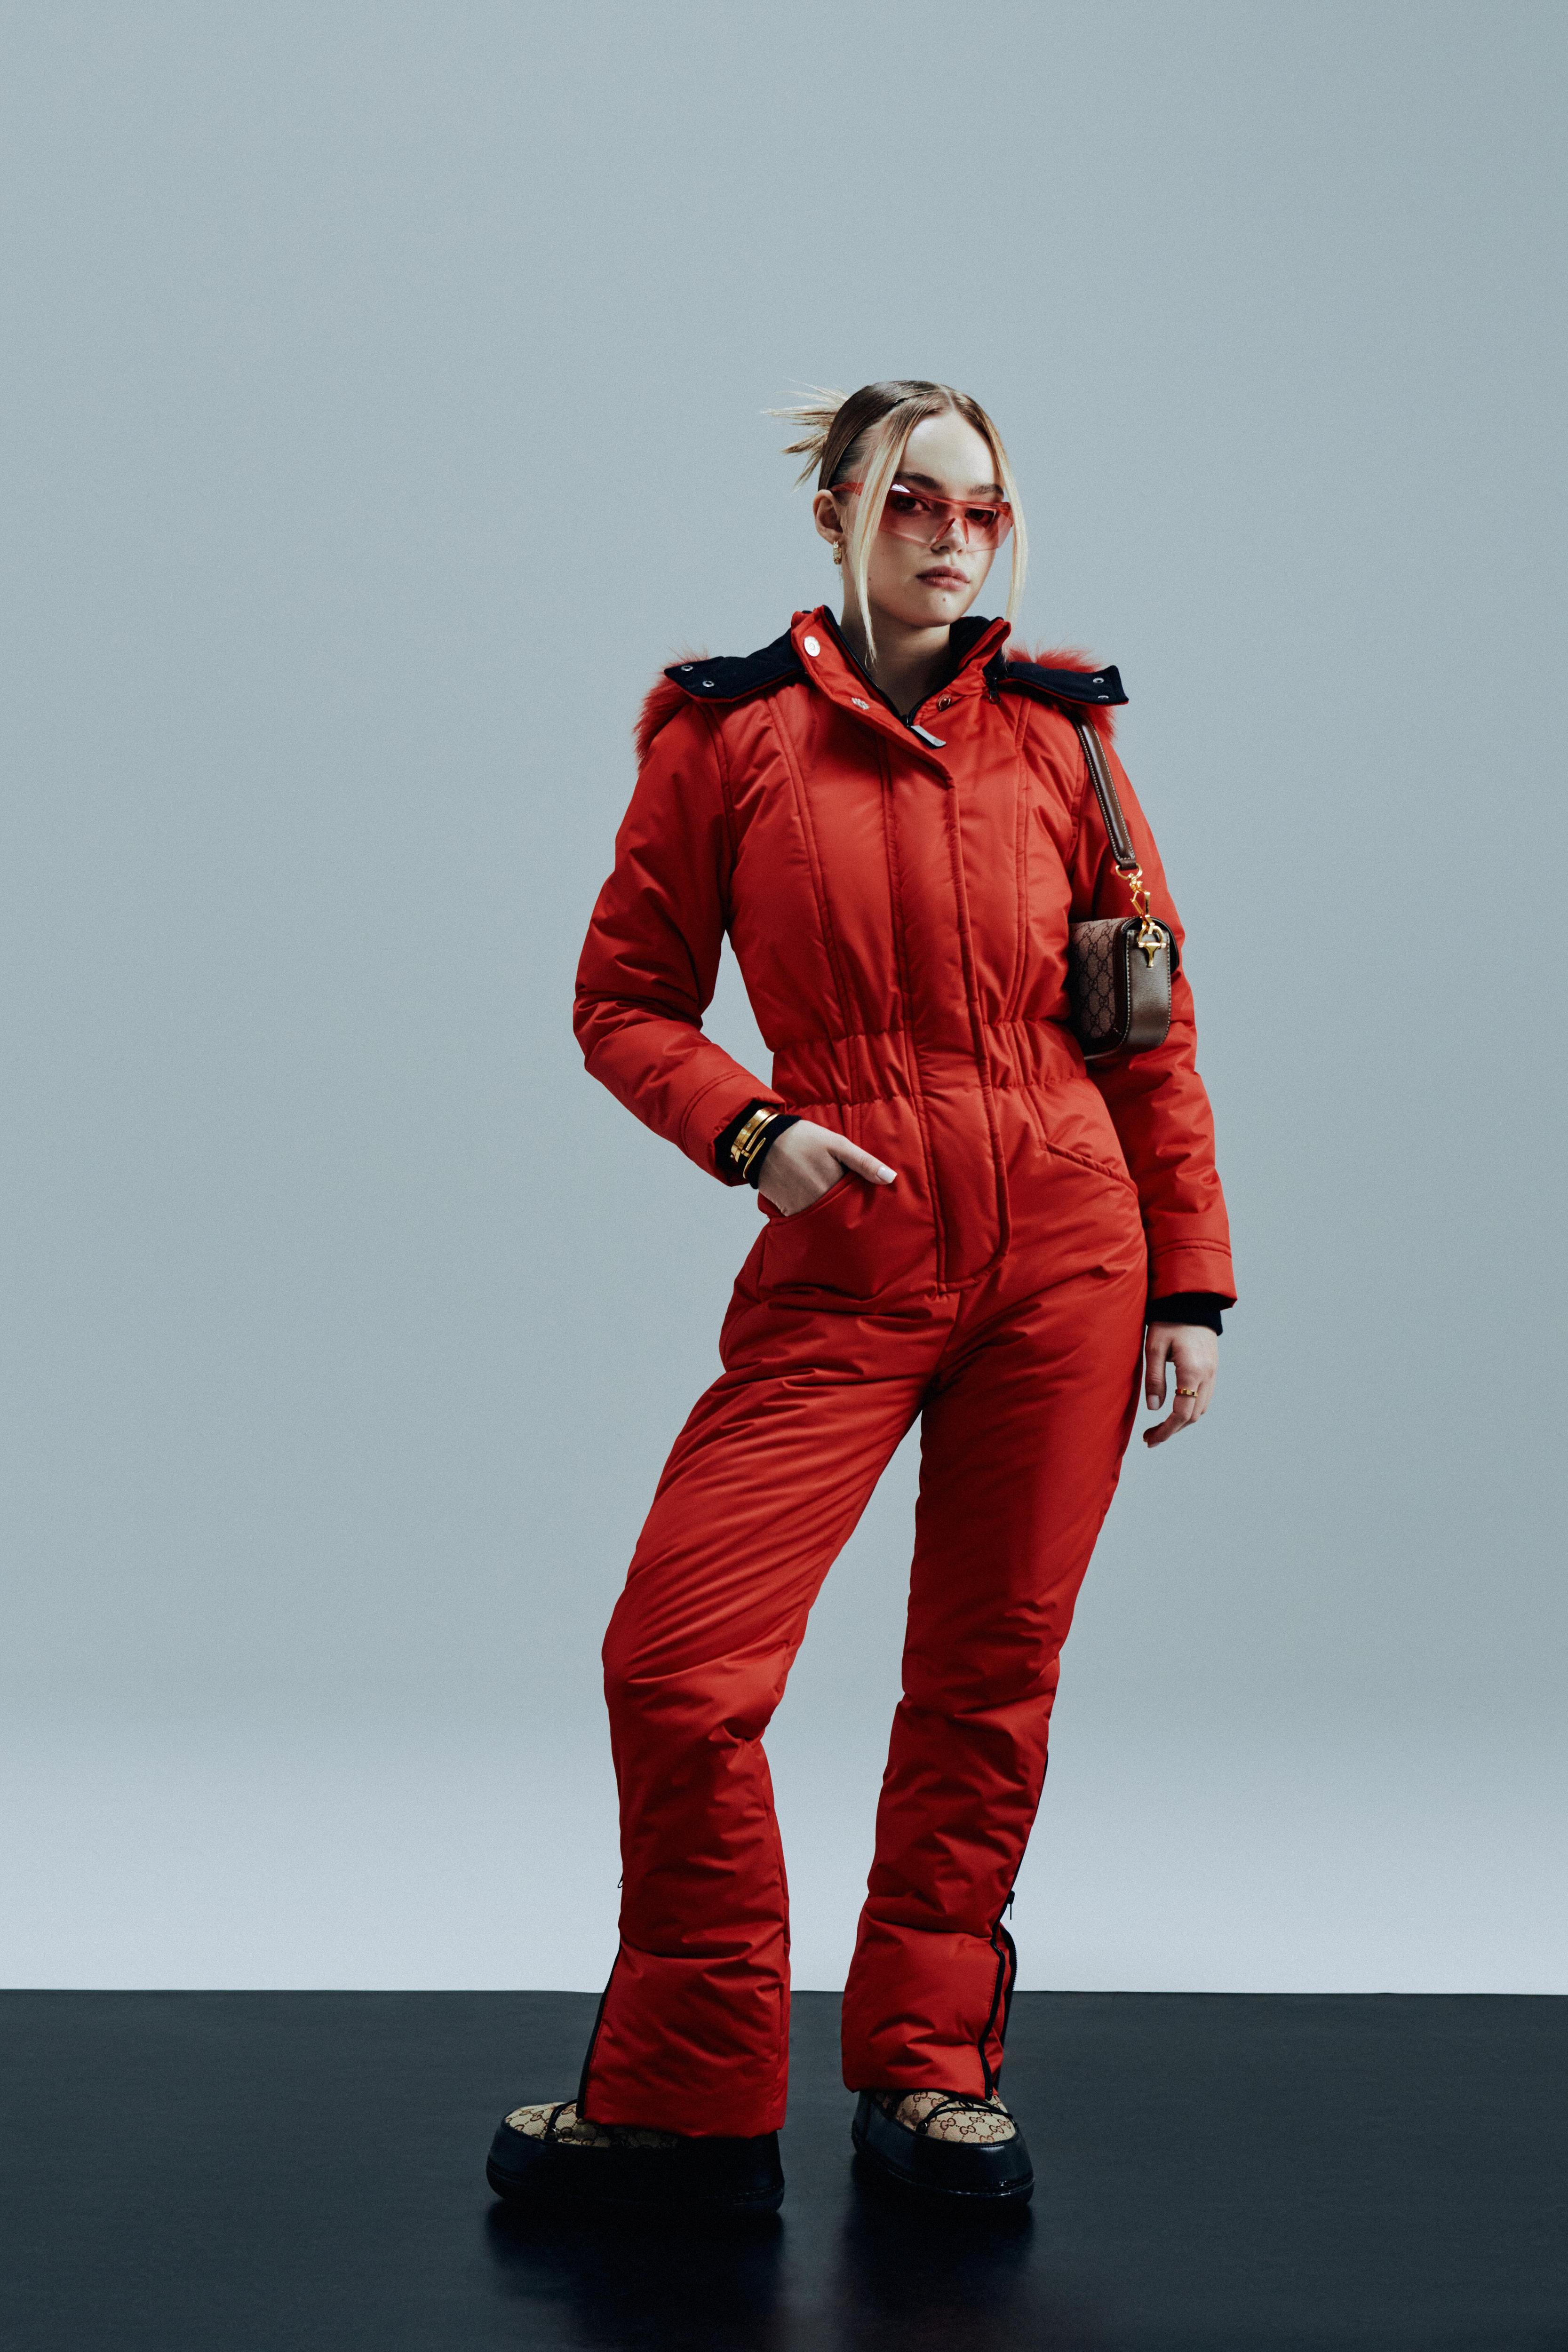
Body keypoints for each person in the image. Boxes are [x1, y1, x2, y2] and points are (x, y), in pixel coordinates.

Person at [486, 381, 1234, 2215]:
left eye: (983, 507)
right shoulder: (724, 737)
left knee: (989, 1678)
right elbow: (623, 999)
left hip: (1069, 1252)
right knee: (677, 1666)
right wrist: (752, 1132)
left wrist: (1192, 1283)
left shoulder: (1061, 739)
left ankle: (929, 2068)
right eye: (914, 499)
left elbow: (1146, 1025)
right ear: (836, 510)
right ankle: (688, 2091)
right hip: (851, 1250)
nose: (953, 535)